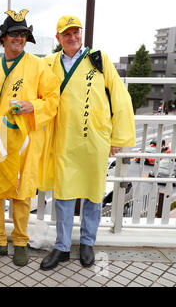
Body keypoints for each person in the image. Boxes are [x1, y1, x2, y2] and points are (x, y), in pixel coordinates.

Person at [39, 15, 136, 271]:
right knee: (63, 195)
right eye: (66, 34)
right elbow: (25, 75)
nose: (72, 38)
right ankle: (61, 247)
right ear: (58, 38)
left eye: (76, 33)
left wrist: (117, 138)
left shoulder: (98, 59)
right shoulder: (50, 63)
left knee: (94, 194)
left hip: (95, 139)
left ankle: (87, 243)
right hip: (64, 138)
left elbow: (120, 97)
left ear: (81, 34)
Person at [0, 9, 60, 267]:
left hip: (25, 140)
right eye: (14, 34)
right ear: (3, 38)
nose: (19, 38)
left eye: (23, 34)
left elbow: (53, 98)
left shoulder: (38, 66)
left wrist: (34, 107)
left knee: (22, 192)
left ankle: (20, 240)